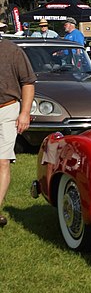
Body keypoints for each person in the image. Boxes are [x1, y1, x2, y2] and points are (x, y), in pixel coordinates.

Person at [0, 21, 36, 227]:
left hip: (7, 108)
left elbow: (28, 83)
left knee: (2, 161)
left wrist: (24, 113)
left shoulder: (13, 52)